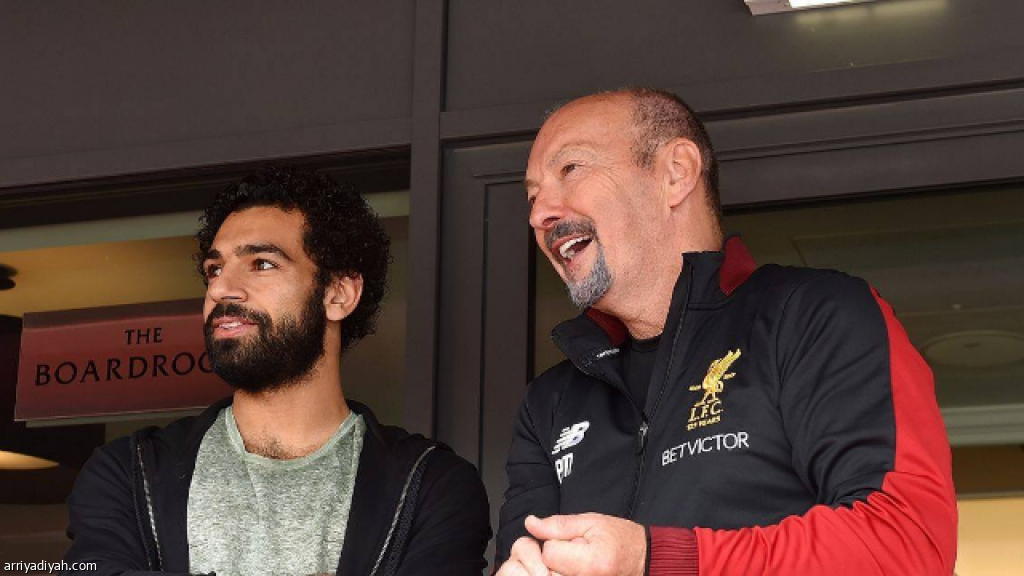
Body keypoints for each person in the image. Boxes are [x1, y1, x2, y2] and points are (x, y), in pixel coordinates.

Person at [495, 88, 957, 575]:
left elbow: (907, 544)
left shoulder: (812, 316)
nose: (539, 214)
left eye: (570, 169)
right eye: (532, 196)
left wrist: (656, 560)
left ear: (676, 173)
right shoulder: (551, 402)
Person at [62, 166, 491, 576]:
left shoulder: (433, 486)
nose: (221, 288)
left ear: (339, 295)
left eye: (262, 263)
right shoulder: (126, 472)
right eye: (214, 269)